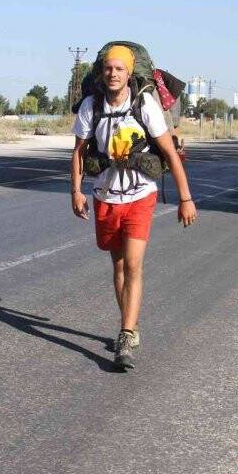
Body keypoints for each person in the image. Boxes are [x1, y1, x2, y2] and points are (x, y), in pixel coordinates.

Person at [70, 44, 196, 369]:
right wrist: (76, 191)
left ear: (129, 74)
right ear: (102, 73)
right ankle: (131, 322)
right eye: (108, 69)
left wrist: (185, 198)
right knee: (119, 266)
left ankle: (126, 335)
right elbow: (79, 152)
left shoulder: (145, 105)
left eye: (120, 69)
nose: (113, 74)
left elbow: (168, 152)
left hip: (141, 195)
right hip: (106, 196)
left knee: (134, 266)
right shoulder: (91, 106)